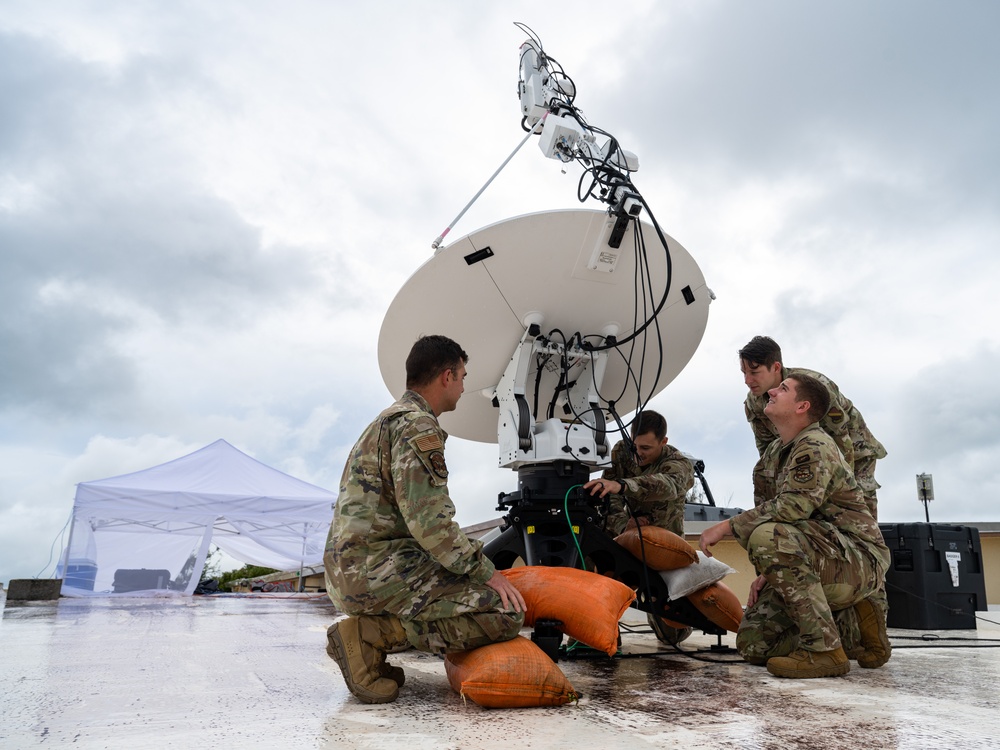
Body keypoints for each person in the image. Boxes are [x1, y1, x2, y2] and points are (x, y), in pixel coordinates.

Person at [323, 334, 526, 704]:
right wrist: (487, 573)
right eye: (462, 376)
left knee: (459, 589)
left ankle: (371, 648)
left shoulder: (386, 421)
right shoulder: (417, 426)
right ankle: (368, 634)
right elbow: (430, 526)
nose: (464, 387)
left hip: (353, 569)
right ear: (446, 376)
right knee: (503, 611)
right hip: (374, 572)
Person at [699, 373, 891, 678]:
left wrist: (726, 527)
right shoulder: (774, 455)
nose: (772, 391)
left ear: (802, 406)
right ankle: (850, 626)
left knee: (767, 537)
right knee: (754, 644)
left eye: (783, 389)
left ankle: (824, 651)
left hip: (858, 559)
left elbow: (790, 509)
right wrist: (767, 573)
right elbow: (773, 511)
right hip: (817, 552)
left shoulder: (815, 445)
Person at [738, 336, 886, 519]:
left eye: (754, 372)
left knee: (854, 509)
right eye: (743, 372)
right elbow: (767, 450)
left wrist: (841, 486)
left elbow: (840, 436)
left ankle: (865, 545)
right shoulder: (755, 402)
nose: (747, 380)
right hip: (807, 453)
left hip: (854, 452)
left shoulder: (813, 387)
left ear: (776, 368)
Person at [583, 409, 695, 644]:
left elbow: (668, 485)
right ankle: (600, 629)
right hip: (629, 536)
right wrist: (623, 523)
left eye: (646, 449)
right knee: (593, 560)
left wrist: (623, 485)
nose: (639, 454)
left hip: (663, 548)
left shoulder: (678, 463)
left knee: (670, 635)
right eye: (636, 447)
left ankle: (683, 623)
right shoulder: (622, 452)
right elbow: (609, 495)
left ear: (663, 442)